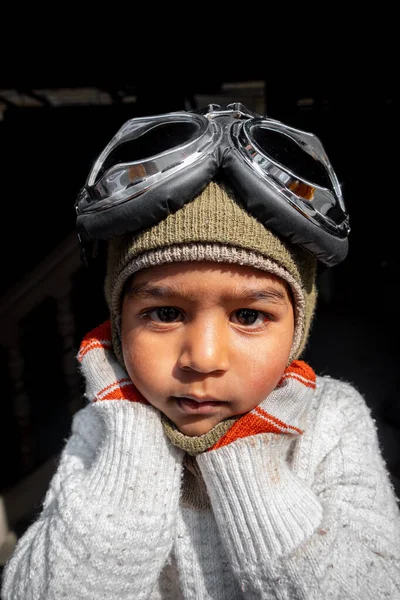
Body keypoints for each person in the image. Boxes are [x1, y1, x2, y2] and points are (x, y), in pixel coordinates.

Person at [2, 103, 400, 599]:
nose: (204, 358)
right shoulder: (104, 428)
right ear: (119, 324)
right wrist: (134, 439)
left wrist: (248, 454)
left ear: (297, 326)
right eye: (165, 313)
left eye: (249, 316)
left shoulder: (334, 421)